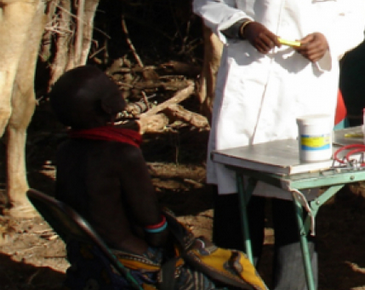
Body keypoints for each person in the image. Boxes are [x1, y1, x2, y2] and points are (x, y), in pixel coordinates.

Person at [194, 0, 365, 289]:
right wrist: (244, 25)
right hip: (248, 89)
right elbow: (207, 0)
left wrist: (329, 39)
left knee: (296, 211)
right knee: (238, 211)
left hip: (305, 90)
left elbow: (356, 18)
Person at [51, 66, 231, 290]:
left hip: (89, 253)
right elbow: (151, 220)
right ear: (105, 105)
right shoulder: (123, 153)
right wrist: (168, 240)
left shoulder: (65, 149)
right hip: (131, 259)